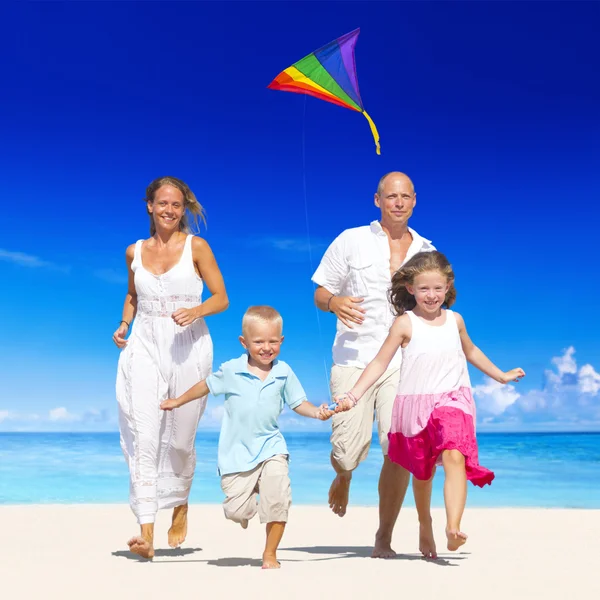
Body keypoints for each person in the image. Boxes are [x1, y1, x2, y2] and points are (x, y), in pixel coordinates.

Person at [334, 251, 525, 558]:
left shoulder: (455, 320)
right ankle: (426, 522)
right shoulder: (404, 323)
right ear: (410, 288)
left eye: (438, 288)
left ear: (448, 287)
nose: (432, 295)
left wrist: (500, 376)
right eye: (424, 289)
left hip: (454, 399)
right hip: (415, 406)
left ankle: (453, 527)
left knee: (454, 454)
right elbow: (379, 363)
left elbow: (471, 351)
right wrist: (353, 395)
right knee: (422, 474)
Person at [160, 306, 344, 569]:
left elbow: (299, 403)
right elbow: (205, 386)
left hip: (271, 448)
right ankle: (250, 500)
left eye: (272, 341)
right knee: (235, 511)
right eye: (258, 342)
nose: (266, 347)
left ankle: (270, 553)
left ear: (281, 341)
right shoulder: (232, 370)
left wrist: (317, 413)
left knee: (277, 500)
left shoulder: (284, 372)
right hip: (235, 454)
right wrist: (178, 401)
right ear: (244, 342)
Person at [311, 171, 435, 558]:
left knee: (397, 448)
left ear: (414, 200)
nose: (398, 202)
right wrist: (334, 303)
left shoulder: (428, 252)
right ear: (377, 200)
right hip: (353, 359)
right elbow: (319, 292)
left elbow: (435, 310)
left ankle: (383, 537)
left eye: (405, 196)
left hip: (404, 363)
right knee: (348, 451)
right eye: (390, 196)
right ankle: (343, 474)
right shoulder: (351, 240)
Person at [112, 176, 229, 560]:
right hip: (144, 343)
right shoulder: (134, 251)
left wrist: (196, 310)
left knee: (180, 439)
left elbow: (221, 298)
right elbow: (132, 294)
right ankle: (146, 530)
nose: (169, 210)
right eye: (162, 203)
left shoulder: (196, 247)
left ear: (184, 209)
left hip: (189, 346)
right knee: (144, 434)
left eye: (176, 205)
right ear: (150, 205)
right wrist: (124, 324)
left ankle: (180, 502)